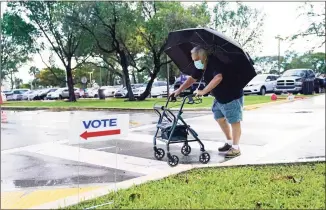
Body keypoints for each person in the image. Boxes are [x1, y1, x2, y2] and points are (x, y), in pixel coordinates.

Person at [171, 46, 244, 158]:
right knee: (219, 118)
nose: (194, 62)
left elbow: (218, 77)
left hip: (231, 95)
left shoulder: (215, 62)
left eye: (196, 60)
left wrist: (204, 91)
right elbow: (192, 78)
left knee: (234, 120)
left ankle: (236, 148)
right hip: (219, 97)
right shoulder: (201, 66)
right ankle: (229, 143)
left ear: (203, 57)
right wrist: (179, 90)